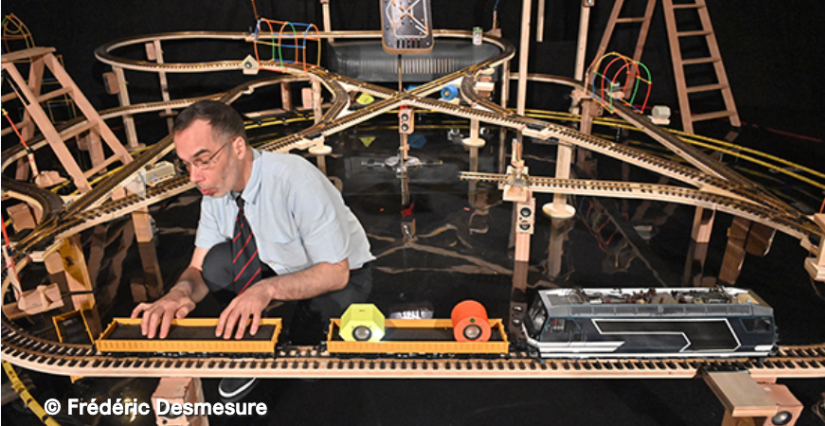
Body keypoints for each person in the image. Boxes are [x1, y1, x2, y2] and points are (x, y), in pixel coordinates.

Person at [131, 99, 374, 398]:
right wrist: (177, 294)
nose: (194, 177)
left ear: (237, 148)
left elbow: (336, 273)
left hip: (339, 272)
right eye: (188, 165)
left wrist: (266, 290)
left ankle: (273, 319)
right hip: (278, 264)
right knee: (216, 263)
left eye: (203, 160)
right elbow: (197, 267)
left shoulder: (295, 180)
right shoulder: (215, 192)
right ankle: (246, 335)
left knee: (307, 363)